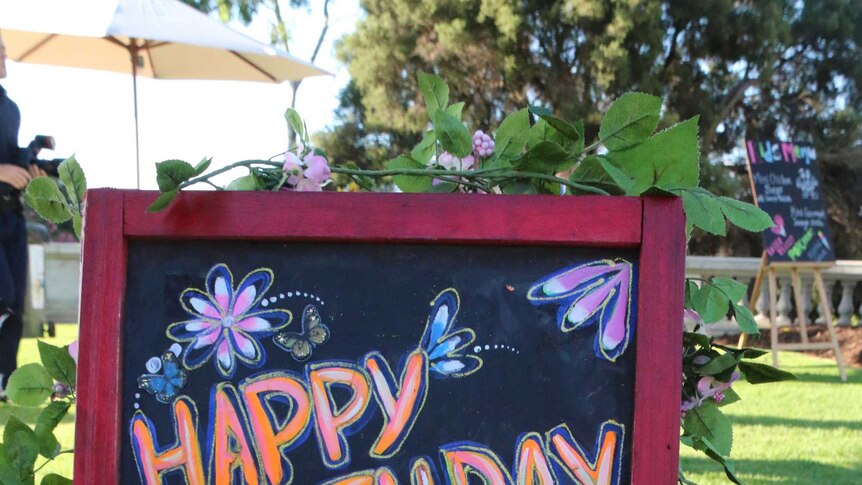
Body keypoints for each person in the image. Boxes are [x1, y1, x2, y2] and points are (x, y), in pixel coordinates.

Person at [0, 29, 45, 399]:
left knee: (13, 303)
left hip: (11, 216)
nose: (4, 58)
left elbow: (10, 153)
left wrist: (31, 164)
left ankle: (6, 382)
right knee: (1, 293)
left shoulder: (9, 107)